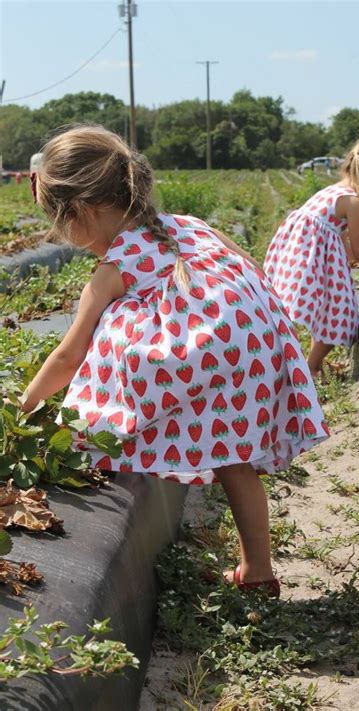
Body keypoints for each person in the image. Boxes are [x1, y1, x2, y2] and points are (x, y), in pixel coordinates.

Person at [20, 124, 330, 597]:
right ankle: (258, 570)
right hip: (248, 348)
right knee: (234, 461)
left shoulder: (113, 270)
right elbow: (246, 265)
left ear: (81, 211)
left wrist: (24, 408)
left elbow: (69, 355)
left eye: (60, 221)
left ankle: (97, 448)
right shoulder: (190, 226)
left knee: (111, 346)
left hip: (206, 357)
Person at [264, 136, 359, 376]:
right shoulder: (354, 202)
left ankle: (305, 364)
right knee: (339, 315)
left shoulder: (334, 190)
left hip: (301, 253)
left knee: (327, 309)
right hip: (314, 259)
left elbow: (340, 239)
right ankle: (309, 367)